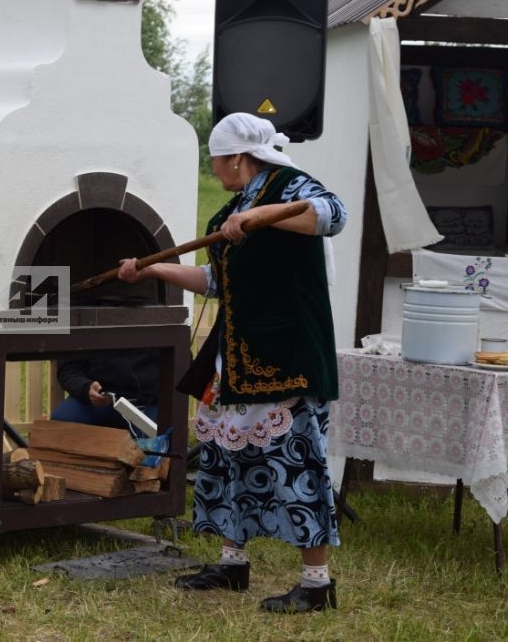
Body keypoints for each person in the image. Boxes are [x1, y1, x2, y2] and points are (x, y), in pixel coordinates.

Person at [118, 112, 347, 614]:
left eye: (216, 160)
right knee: (224, 459)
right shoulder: (234, 205)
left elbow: (335, 213)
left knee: (295, 463)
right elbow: (216, 281)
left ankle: (316, 583)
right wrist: (152, 267)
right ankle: (231, 563)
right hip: (237, 354)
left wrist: (261, 217)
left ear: (237, 158)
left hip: (286, 352)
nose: (214, 170)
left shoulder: (289, 184)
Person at [51, 349, 159, 430]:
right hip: (98, 401)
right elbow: (68, 368)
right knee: (61, 422)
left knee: (160, 437)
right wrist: (86, 388)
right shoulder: (84, 320)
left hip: (145, 403)